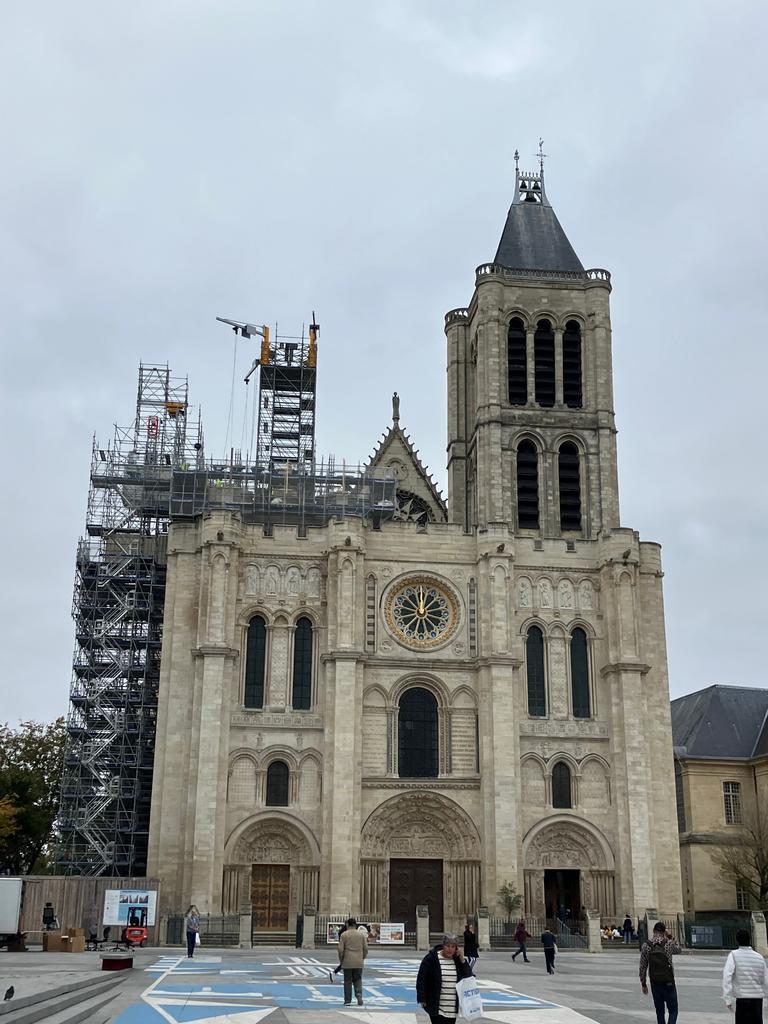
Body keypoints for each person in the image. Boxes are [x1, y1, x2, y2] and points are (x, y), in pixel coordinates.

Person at [416, 932, 473, 1024]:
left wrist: (462, 960)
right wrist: (422, 998)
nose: (450, 949)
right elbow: (422, 978)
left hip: (452, 1006)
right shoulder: (432, 958)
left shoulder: (457, 960)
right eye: (448, 946)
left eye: (453, 947)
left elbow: (469, 976)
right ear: (443, 945)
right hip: (436, 1004)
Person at [639, 920, 682, 1024]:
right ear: (664, 932)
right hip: (668, 981)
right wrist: (671, 936)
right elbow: (679, 949)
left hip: (655, 982)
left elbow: (642, 967)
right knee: (673, 1010)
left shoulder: (646, 945)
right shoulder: (668, 944)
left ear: (653, 931)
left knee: (659, 1011)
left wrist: (644, 984)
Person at [722, 928, 768, 1022]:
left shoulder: (734, 955)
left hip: (742, 999)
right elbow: (765, 979)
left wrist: (727, 998)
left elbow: (727, 976)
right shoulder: (759, 957)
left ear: (737, 940)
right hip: (758, 1000)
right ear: (750, 940)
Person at [337, 916, 368, 1007]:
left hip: (347, 961)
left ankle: (347, 1000)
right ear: (355, 925)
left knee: (347, 981)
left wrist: (341, 959)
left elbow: (340, 949)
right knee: (358, 979)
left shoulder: (344, 935)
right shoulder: (361, 935)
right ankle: (359, 996)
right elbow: (365, 948)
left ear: (347, 924)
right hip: (358, 961)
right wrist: (362, 957)